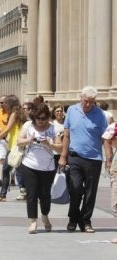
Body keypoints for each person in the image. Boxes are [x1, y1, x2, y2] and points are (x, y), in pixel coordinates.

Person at [58, 86, 109, 233]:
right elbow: (66, 135)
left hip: (94, 159)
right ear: (81, 97)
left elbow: (105, 139)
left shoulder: (100, 115)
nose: (88, 104)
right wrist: (63, 156)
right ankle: (73, 219)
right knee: (75, 189)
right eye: (86, 101)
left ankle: (85, 221)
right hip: (74, 157)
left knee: (90, 193)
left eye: (91, 102)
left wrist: (108, 159)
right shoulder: (72, 111)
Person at [17, 104, 63, 233]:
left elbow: (60, 147)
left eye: (43, 118)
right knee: (31, 194)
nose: (41, 121)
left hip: (47, 167)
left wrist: (50, 144)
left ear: (47, 117)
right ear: (33, 117)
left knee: (45, 195)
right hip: (29, 165)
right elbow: (18, 141)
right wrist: (29, 140)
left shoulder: (54, 128)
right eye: (38, 118)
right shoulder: (28, 126)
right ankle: (32, 221)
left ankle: (45, 216)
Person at [0, 94, 26, 202]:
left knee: (7, 169)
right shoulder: (20, 112)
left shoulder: (14, 114)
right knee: (17, 169)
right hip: (14, 144)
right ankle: (23, 191)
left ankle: (3, 195)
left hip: (14, 146)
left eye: (6, 103)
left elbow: (7, 129)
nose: (4, 105)